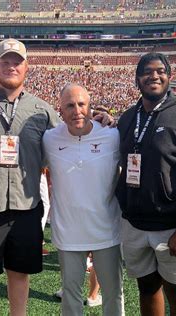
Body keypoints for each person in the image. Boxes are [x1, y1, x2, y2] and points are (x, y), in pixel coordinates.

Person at [0, 39, 113, 316]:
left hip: (26, 207)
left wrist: (100, 123)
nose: (11, 66)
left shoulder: (43, 111)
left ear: (27, 67)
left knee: (20, 275)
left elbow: (74, 136)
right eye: (5, 61)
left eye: (17, 61)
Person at [116, 52, 176, 315]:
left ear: (169, 76)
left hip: (173, 225)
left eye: (160, 71)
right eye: (147, 71)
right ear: (138, 79)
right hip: (135, 224)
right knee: (147, 290)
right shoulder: (128, 118)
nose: (154, 76)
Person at [43, 83, 124, 316]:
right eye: (70, 105)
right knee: (71, 294)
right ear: (60, 108)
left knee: (113, 292)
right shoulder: (49, 138)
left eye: (81, 104)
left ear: (90, 107)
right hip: (68, 231)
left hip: (106, 229)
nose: (76, 110)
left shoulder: (112, 135)